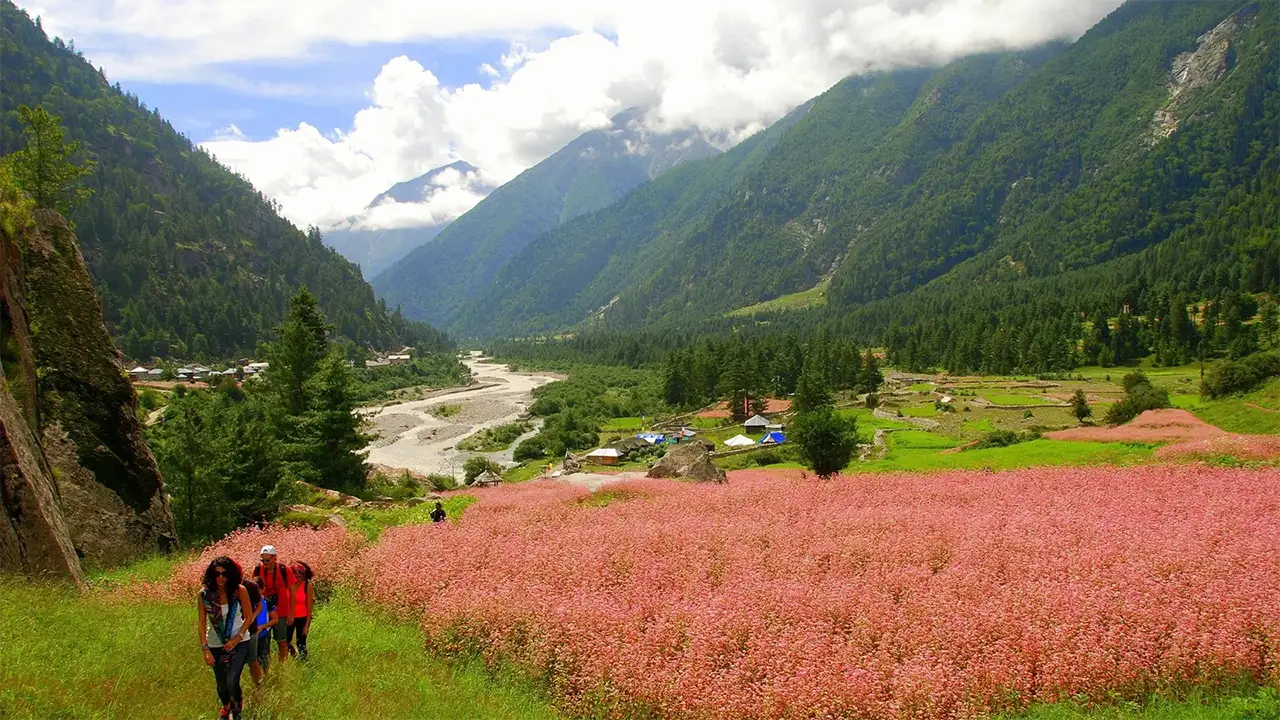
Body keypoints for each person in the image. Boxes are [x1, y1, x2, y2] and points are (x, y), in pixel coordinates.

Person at [197, 556, 252, 720]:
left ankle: (236, 708)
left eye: (224, 574)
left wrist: (237, 638)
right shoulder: (204, 595)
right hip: (215, 643)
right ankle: (226, 705)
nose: (221, 577)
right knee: (221, 685)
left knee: (232, 679)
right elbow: (201, 622)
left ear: (231, 575)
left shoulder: (239, 590)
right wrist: (205, 648)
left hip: (240, 640)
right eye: (217, 574)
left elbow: (248, 617)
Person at [252, 545, 293, 664]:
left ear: (275, 557)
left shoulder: (284, 570)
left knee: (282, 641)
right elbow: (253, 589)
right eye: (263, 560)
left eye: (268, 560)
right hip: (263, 610)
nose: (265, 563)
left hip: (281, 610)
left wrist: (291, 613)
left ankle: (283, 664)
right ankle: (266, 666)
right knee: (264, 641)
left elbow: (292, 592)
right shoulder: (258, 570)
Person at [244, 579, 276, 684]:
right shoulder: (247, 601)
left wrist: (263, 627)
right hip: (252, 633)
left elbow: (275, 619)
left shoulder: (266, 602)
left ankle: (267, 678)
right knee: (254, 659)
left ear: (263, 589)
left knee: (264, 657)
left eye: (258, 589)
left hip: (263, 634)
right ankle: (258, 680)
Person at [286, 561, 315, 660]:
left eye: (300, 573)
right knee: (286, 641)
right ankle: (294, 656)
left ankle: (303, 662)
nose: (297, 575)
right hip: (289, 617)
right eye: (295, 572)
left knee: (301, 643)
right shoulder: (287, 585)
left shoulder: (307, 586)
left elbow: (310, 607)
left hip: (302, 617)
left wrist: (307, 625)